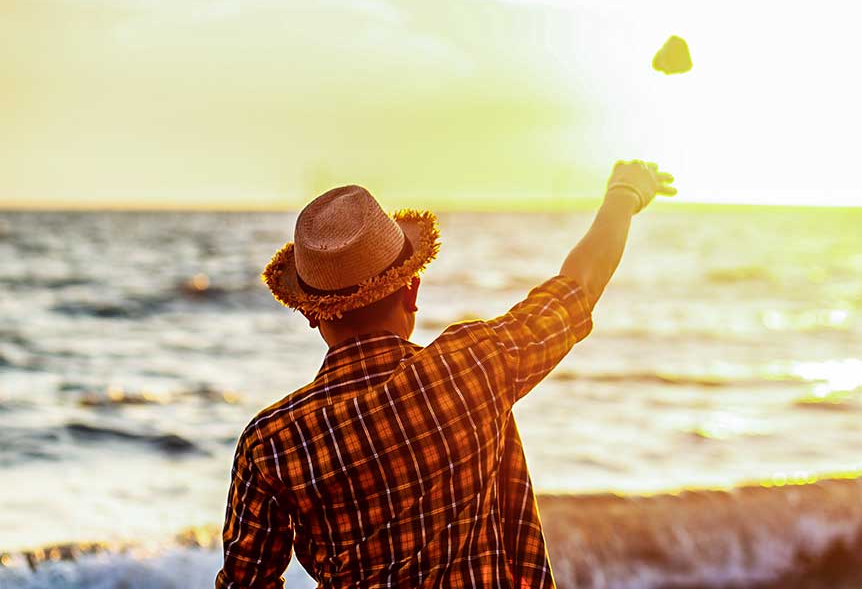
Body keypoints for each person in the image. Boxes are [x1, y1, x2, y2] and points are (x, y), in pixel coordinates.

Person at [216, 160, 676, 588]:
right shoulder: (470, 366)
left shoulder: (271, 441)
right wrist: (623, 194)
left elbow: (245, 583)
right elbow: (579, 287)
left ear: (312, 314)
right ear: (411, 289)